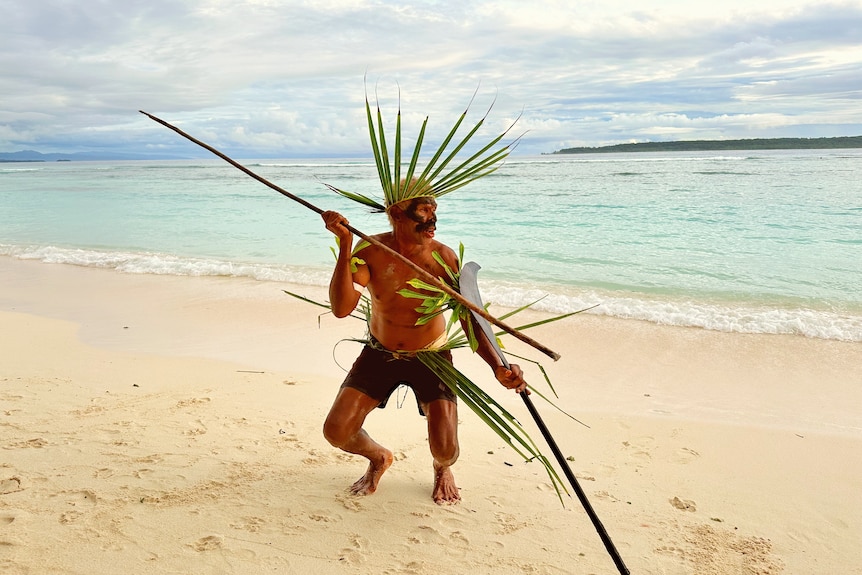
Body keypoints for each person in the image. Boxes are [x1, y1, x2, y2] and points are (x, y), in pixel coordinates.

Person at [320, 193, 528, 504]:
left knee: (446, 450)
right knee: (336, 431)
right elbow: (341, 307)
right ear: (397, 213)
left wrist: (498, 365)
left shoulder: (443, 258)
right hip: (381, 352)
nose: (432, 219)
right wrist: (345, 244)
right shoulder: (371, 250)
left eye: (434, 211)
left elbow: (471, 319)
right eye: (423, 211)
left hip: (431, 357)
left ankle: (442, 469)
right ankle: (379, 457)